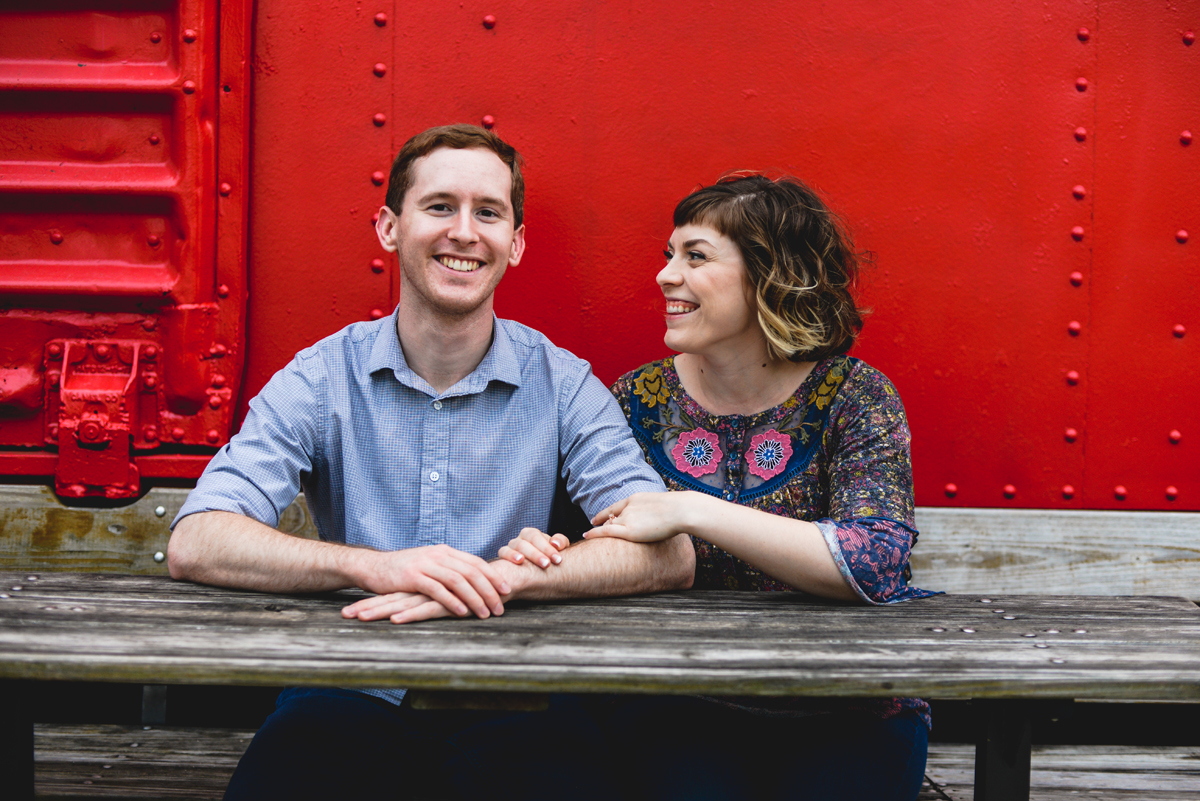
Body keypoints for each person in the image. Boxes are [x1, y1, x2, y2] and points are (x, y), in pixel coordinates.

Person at [167, 124, 694, 800]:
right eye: (440, 206)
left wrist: (507, 578)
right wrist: (371, 563)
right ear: (389, 227)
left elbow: (668, 552)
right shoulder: (324, 374)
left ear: (517, 242)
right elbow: (196, 536)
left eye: (489, 212)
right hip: (349, 690)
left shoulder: (563, 383)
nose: (465, 232)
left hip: (516, 693)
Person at [503, 173, 938, 801]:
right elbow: (586, 544)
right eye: (669, 255)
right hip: (676, 703)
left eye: (696, 256)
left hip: (847, 709)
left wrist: (694, 510)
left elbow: (873, 564)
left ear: (771, 276)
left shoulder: (855, 396)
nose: (665, 275)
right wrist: (543, 549)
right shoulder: (636, 401)